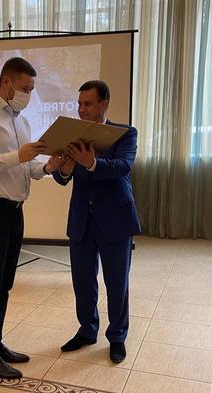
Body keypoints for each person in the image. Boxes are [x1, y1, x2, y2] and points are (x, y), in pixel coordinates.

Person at [0, 57, 60, 379]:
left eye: (31, 89)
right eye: (25, 88)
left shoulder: (21, 121)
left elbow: (25, 167)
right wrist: (18, 155)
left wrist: (47, 167)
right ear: (6, 82)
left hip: (15, 212)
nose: (29, 94)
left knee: (4, 284)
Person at [53, 80, 141, 363]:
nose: (81, 109)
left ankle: (117, 337)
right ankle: (87, 330)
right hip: (82, 220)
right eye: (79, 104)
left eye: (88, 104)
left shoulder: (125, 133)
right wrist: (64, 170)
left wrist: (91, 164)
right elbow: (61, 178)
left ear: (104, 104)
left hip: (115, 218)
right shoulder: (71, 137)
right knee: (82, 281)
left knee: (117, 283)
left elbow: (123, 166)